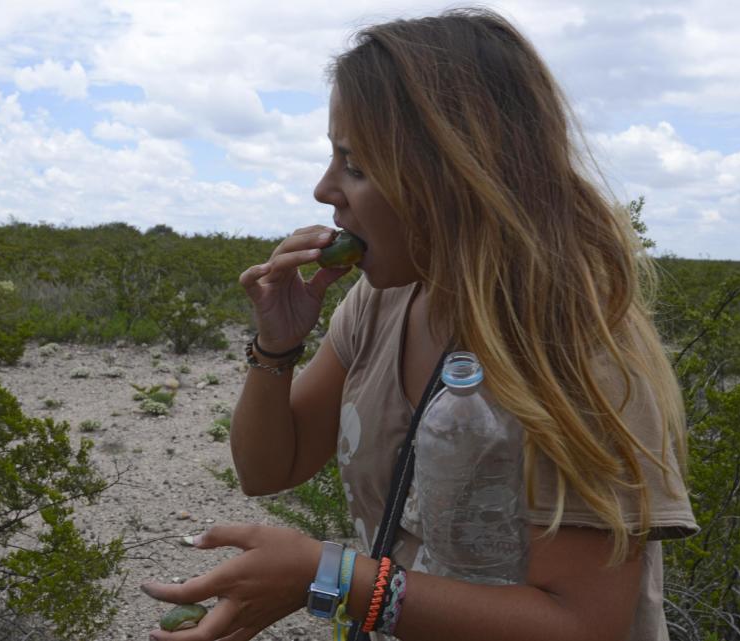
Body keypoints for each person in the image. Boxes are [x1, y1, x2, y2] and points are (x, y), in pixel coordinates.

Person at [141, 8, 697, 641]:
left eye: (355, 165)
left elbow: (583, 623)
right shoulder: (383, 301)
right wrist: (277, 345)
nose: (325, 189)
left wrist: (332, 579)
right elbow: (270, 469)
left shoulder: (573, 346)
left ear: (454, 175)